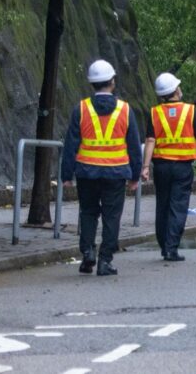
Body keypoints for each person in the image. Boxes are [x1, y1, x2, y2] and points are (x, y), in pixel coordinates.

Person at [61, 59, 141, 276]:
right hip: (116, 172)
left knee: (88, 213)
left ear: (91, 84)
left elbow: (71, 144)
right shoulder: (125, 110)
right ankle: (105, 261)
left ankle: (88, 252)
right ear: (112, 82)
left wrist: (66, 175)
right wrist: (136, 175)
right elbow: (134, 146)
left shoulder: (81, 109)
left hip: (87, 172)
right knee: (111, 216)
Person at [141, 72, 196, 263]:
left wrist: (146, 166)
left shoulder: (155, 113)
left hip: (161, 166)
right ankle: (171, 248)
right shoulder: (190, 111)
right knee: (178, 206)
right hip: (182, 166)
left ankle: (164, 245)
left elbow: (150, 140)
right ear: (176, 90)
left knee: (162, 204)